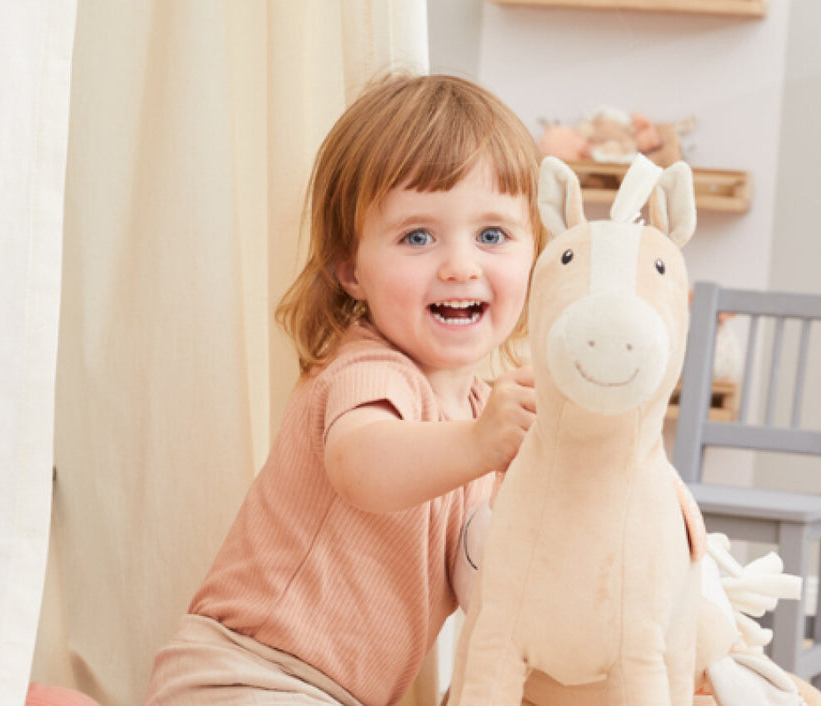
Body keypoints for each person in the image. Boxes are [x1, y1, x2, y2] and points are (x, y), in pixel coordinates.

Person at [143, 73, 544, 706]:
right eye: (417, 237)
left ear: (535, 255)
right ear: (351, 270)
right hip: (245, 676)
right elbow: (361, 465)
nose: (460, 265)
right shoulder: (369, 369)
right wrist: (481, 441)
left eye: (491, 236)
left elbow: (498, 565)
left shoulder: (481, 414)